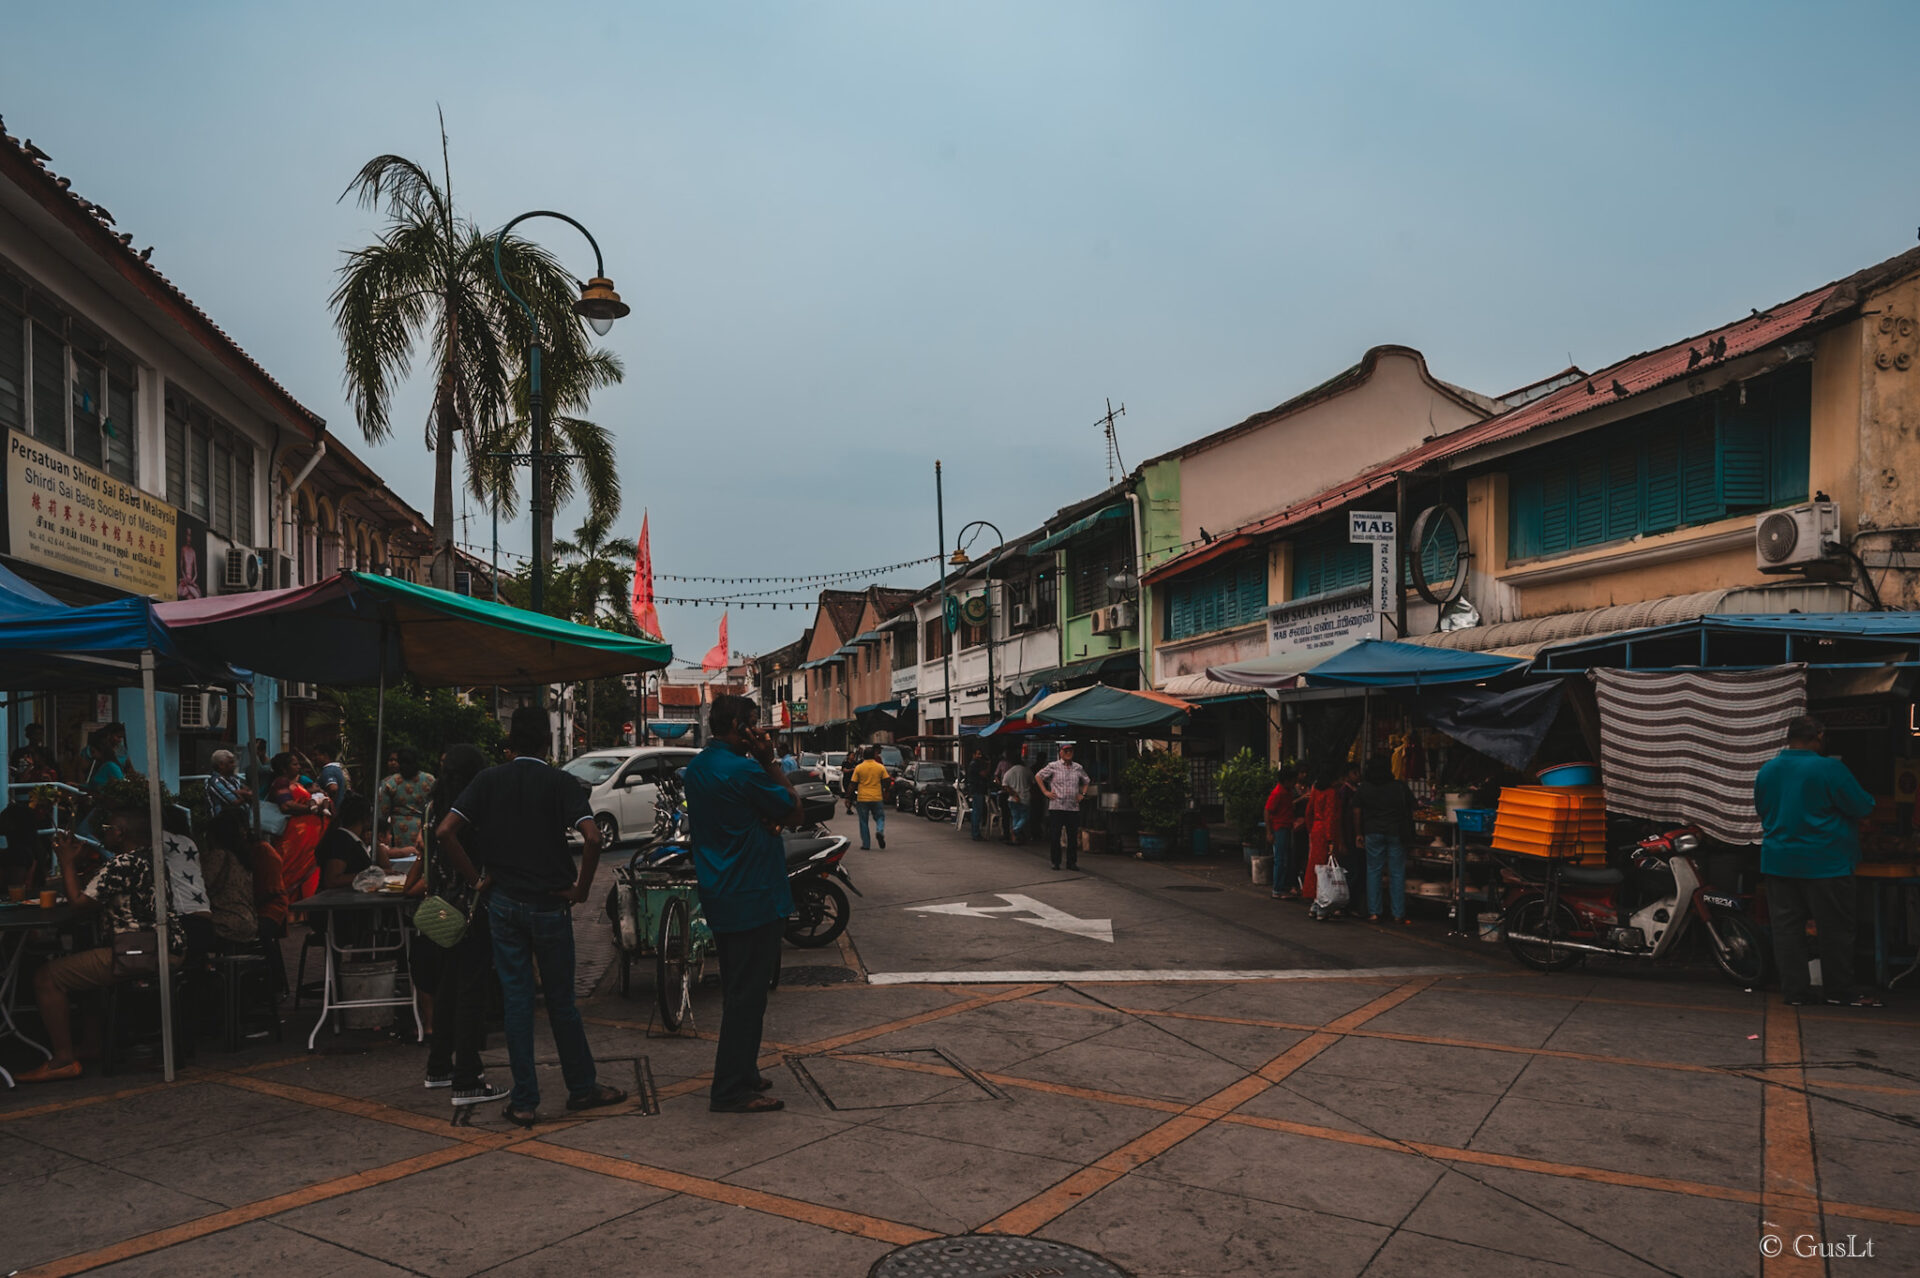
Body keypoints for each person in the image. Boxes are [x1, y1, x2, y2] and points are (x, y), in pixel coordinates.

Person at [436, 706, 624, 1127]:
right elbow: (592, 836)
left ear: (509, 744)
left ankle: (524, 1101)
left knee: (517, 1004)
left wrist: (476, 879)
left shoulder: (487, 781)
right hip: (549, 905)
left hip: (502, 903)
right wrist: (581, 888)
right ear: (547, 743)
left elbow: (445, 831)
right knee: (561, 1004)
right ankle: (581, 1087)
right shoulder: (560, 783)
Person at [683, 693, 803, 1114]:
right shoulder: (746, 771)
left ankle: (745, 1071)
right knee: (746, 997)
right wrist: (770, 761)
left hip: (722, 891)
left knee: (744, 991)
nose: (762, 732)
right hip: (753, 893)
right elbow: (793, 809)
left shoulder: (698, 768)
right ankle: (731, 1087)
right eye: (755, 724)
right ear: (738, 727)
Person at [15, 801, 186, 1082]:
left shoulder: (121, 863)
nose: (102, 834)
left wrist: (67, 862)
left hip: (138, 951)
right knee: (85, 957)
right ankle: (91, 1043)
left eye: (107, 829)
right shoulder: (151, 859)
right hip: (168, 946)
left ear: (120, 833)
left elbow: (79, 904)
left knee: (47, 977)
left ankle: (63, 1060)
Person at [1755, 715, 1879, 1008]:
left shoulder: (1768, 770)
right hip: (1826, 862)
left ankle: (1796, 992)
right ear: (1819, 736)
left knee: (1787, 930)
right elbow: (1862, 805)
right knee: (1834, 929)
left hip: (1780, 860)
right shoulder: (1829, 768)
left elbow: (1763, 809)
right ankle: (1839, 991)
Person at [404, 743, 500, 1105]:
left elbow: (430, 853)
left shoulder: (432, 806)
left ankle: (439, 1066)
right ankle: (467, 1078)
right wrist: (477, 879)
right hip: (470, 909)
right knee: (472, 991)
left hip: (440, 908)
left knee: (446, 989)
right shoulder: (471, 809)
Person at [1353, 756, 1415, 923]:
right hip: (1395, 832)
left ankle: (1374, 912)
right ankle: (1398, 914)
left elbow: (1357, 812)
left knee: (1373, 871)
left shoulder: (1364, 788)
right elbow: (1412, 805)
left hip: (1372, 832)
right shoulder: (1399, 787)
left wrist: (1359, 833)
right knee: (1397, 872)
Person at [266, 752, 327, 905]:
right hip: (293, 840)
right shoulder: (281, 782)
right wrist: (311, 810)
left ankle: (305, 912)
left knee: (310, 874)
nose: (299, 766)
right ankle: (287, 910)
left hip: (307, 840)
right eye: (294, 764)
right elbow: (286, 806)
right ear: (284, 768)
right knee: (289, 872)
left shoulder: (298, 783)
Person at [200, 809, 261, 946]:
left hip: (227, 923)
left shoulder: (217, 856)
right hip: (249, 922)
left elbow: (202, 885)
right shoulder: (242, 858)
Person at [317, 792, 388, 891]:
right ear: (366, 818)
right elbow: (332, 880)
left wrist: (375, 842)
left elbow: (386, 867)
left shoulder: (355, 840)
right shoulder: (341, 840)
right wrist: (369, 875)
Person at [1036, 742, 1090, 871]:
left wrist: (1082, 793)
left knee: (1072, 837)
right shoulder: (1053, 766)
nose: (1068, 753)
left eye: (1070, 751)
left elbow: (1086, 780)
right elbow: (1038, 776)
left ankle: (1071, 862)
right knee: (1055, 836)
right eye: (1065, 751)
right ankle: (1056, 861)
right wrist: (1045, 792)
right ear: (1060, 753)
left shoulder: (1077, 767)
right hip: (1057, 806)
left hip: (1072, 807)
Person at [1303, 765, 1346, 917]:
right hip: (1326, 832)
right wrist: (1330, 840)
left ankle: (1316, 902)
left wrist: (1311, 830)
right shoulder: (1331, 793)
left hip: (1316, 829)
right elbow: (1330, 817)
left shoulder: (1316, 791)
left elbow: (1308, 812)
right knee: (1326, 869)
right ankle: (1322, 904)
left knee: (1317, 868)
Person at [377, 747, 435, 852]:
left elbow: (382, 814)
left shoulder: (389, 783)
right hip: (424, 831)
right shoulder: (430, 780)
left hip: (398, 832)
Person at [1265, 766, 1301, 899]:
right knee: (1280, 859)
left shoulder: (1287, 792)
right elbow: (1268, 811)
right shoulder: (1278, 793)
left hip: (1287, 826)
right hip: (1279, 828)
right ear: (1287, 780)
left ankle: (1282, 886)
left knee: (1285, 858)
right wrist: (1269, 832)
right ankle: (1277, 889)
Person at [849, 746, 890, 850]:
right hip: (877, 797)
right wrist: (885, 791)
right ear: (874, 756)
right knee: (880, 817)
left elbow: (853, 784)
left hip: (862, 798)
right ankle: (879, 831)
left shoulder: (859, 767)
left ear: (863, 756)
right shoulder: (880, 767)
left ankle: (866, 845)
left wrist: (848, 797)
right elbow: (887, 780)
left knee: (863, 821)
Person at [204, 748, 252, 821]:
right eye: (231, 762)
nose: (235, 765)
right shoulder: (215, 782)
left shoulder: (233, 779)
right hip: (222, 824)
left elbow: (251, 793)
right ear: (221, 765)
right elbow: (235, 802)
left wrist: (239, 793)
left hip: (240, 821)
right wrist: (243, 794)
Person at [1001, 751, 1035, 846]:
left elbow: (1005, 786)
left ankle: (1014, 838)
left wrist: (1014, 794)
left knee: (1015, 817)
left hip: (1012, 799)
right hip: (1025, 797)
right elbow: (1033, 783)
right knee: (1025, 817)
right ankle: (1015, 830)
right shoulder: (1027, 770)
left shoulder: (1009, 772)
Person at [83, 723, 129, 791]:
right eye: (118, 737)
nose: (120, 740)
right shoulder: (105, 765)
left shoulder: (110, 766)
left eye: (93, 752)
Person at [963, 746, 995, 841]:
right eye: (978, 754)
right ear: (974, 755)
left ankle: (976, 832)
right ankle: (976, 833)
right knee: (977, 811)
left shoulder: (974, 764)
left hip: (976, 789)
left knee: (977, 811)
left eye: (980, 754)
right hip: (977, 790)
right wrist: (989, 765)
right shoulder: (975, 764)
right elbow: (983, 774)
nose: (980, 756)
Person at [311, 741, 350, 808]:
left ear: (325, 755)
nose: (313, 758)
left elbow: (333, 788)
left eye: (316, 755)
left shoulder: (328, 770)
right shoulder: (339, 768)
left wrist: (329, 806)